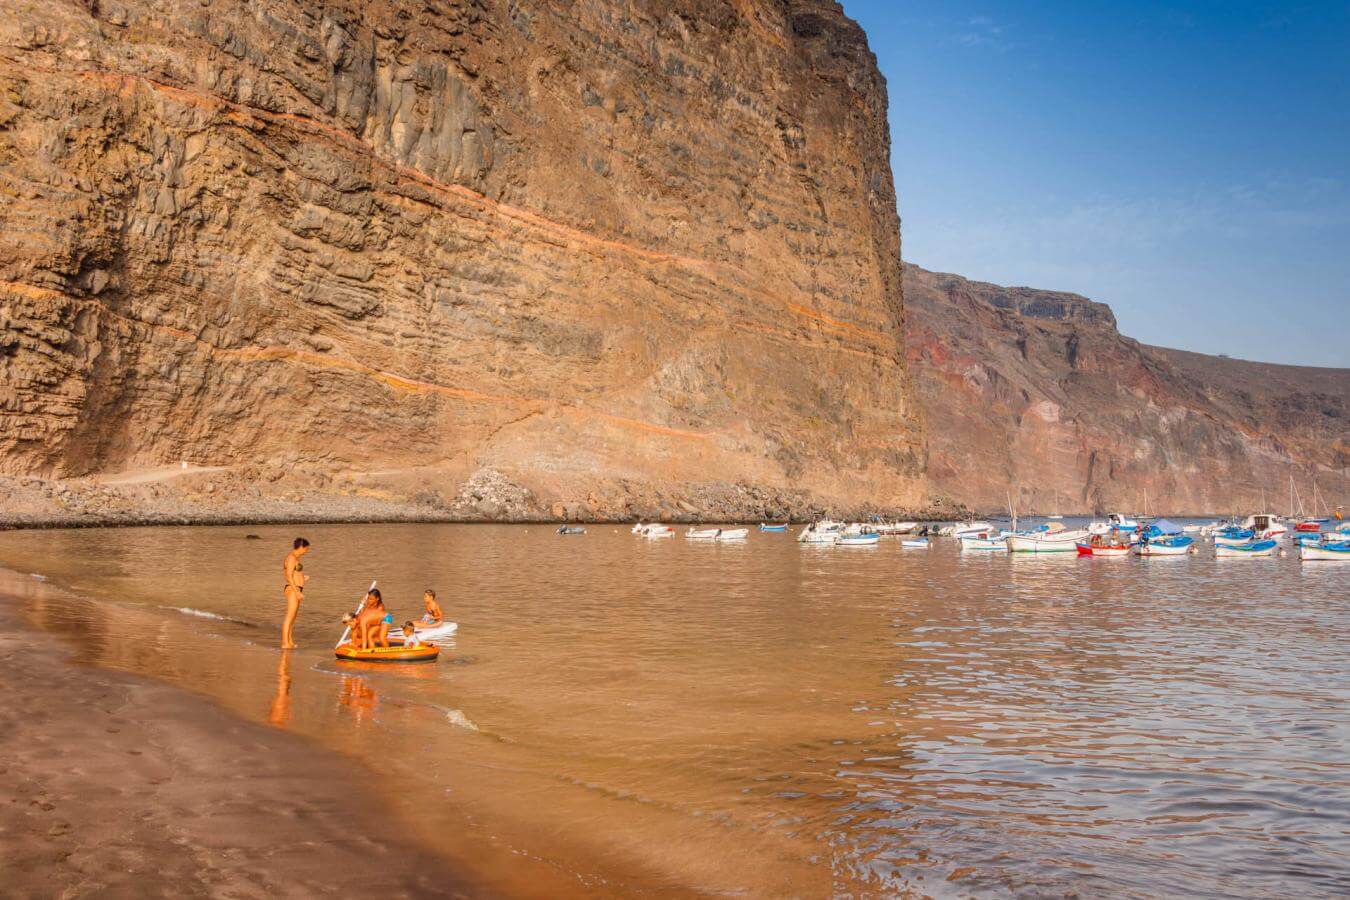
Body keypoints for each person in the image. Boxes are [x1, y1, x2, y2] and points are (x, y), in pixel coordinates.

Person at [280, 537, 311, 649]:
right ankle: (284, 643)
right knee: (289, 617)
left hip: (297, 588)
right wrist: (297, 591)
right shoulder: (291, 558)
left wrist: (303, 577)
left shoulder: (294, 558)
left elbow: (294, 573)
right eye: (306, 549)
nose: (306, 551)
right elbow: (288, 576)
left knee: (293, 618)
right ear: (301, 547)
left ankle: (290, 641)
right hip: (293, 589)